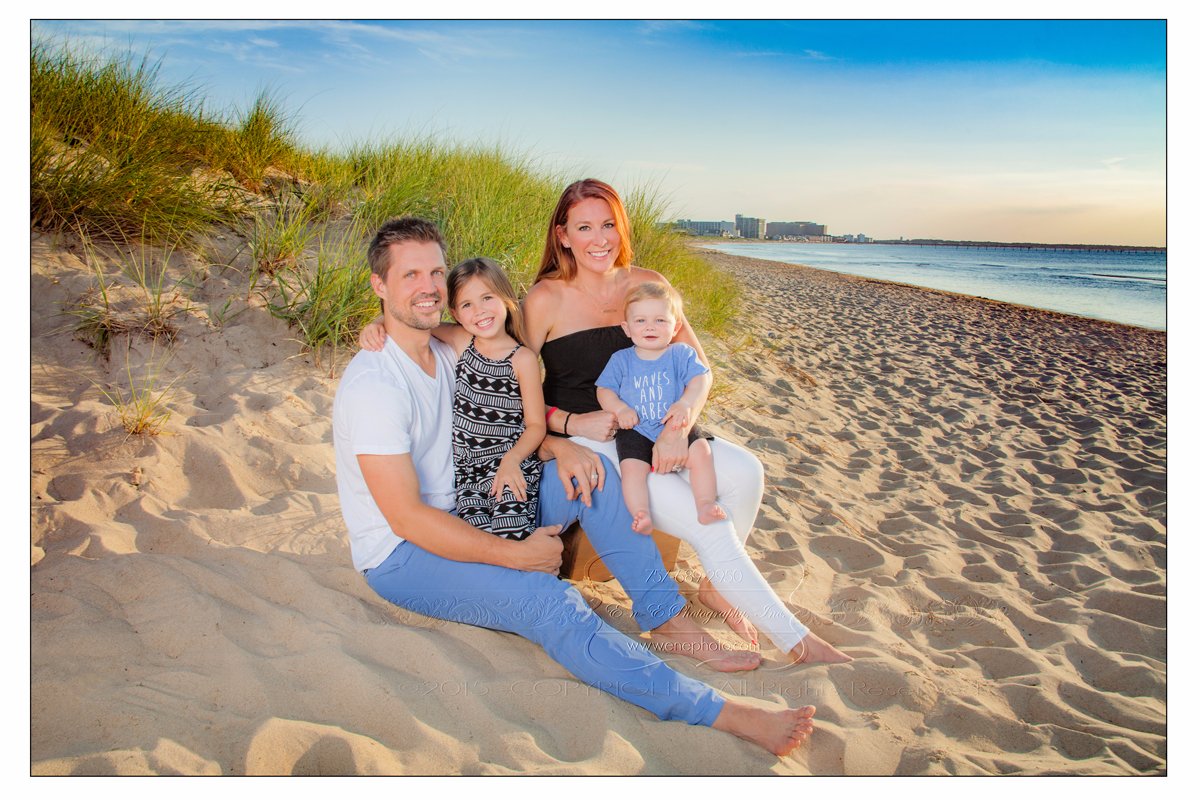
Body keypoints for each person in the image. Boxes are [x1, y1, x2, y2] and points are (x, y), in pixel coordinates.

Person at [335, 216, 817, 756]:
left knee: (595, 474)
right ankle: (718, 710)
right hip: (403, 554)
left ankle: (667, 618)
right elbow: (405, 518)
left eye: (435, 273)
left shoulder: (452, 346)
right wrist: (511, 556)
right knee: (549, 602)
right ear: (379, 285)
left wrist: (561, 445)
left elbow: (513, 418)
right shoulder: (375, 385)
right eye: (408, 276)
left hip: (481, 500)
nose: (426, 287)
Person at [522, 179, 852, 665]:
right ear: (563, 235)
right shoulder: (544, 300)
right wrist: (570, 427)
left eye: (609, 224)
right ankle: (800, 643)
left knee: (745, 471)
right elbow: (513, 390)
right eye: (584, 226)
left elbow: (700, 367)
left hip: (666, 427)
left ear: (622, 228)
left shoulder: (647, 283)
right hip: (605, 442)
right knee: (708, 524)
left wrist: (679, 427)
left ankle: (718, 588)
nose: (599, 238)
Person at [596, 281, 726, 534]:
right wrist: (620, 409)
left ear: (675, 326)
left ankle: (705, 504)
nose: (650, 327)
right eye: (641, 321)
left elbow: (700, 379)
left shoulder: (681, 353)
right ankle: (640, 513)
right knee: (632, 469)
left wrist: (686, 403)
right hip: (636, 428)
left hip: (675, 423)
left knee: (701, 453)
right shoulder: (621, 359)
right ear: (627, 327)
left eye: (660, 321)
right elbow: (604, 390)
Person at [434, 257, 545, 539]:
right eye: (467, 305)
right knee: (480, 542)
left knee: (511, 536)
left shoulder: (522, 359)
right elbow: (415, 325)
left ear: (506, 299)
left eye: (487, 298)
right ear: (455, 313)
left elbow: (536, 425)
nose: (479, 311)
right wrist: (378, 321)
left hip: (509, 464)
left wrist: (512, 460)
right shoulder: (462, 341)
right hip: (468, 473)